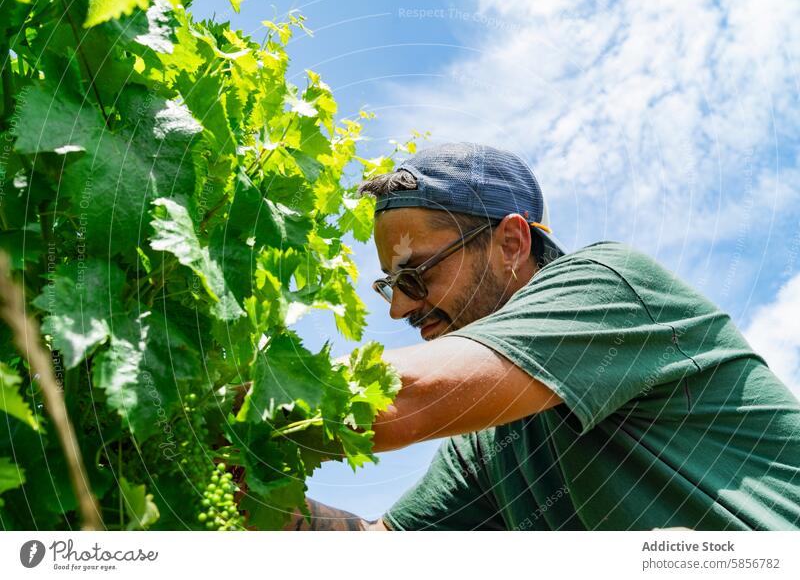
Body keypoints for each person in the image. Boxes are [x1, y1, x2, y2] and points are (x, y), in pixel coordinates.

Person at [284, 142, 800, 531]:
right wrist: (254, 501)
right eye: (391, 286)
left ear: (511, 242)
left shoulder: (606, 286)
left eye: (416, 275)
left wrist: (234, 398)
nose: (400, 308)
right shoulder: (485, 443)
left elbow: (401, 400)